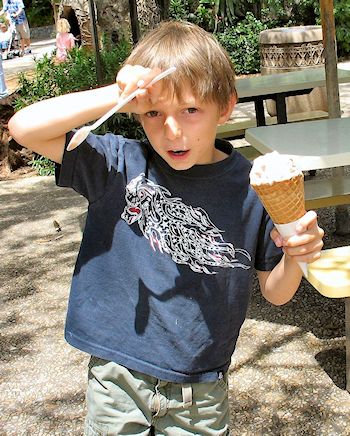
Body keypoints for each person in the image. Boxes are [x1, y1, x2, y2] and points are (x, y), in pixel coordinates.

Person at [8, 21, 324, 435]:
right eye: (153, 113)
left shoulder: (253, 189)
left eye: (190, 110)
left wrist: (297, 256)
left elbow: (276, 293)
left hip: (202, 389)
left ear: (225, 107)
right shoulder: (118, 165)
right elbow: (24, 128)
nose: (171, 130)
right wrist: (115, 96)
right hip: (117, 378)